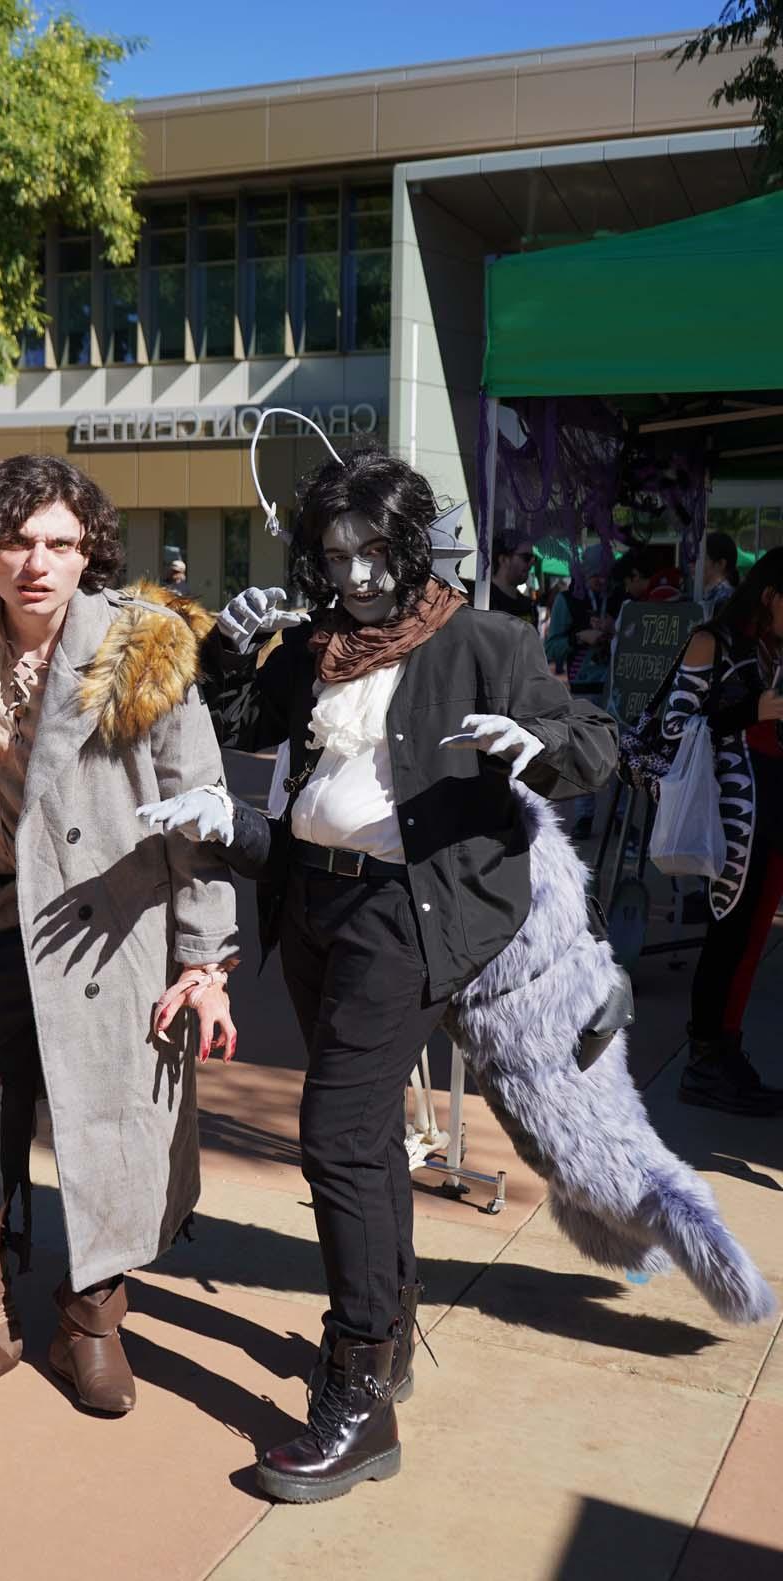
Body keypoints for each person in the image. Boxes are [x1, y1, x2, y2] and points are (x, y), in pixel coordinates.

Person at [145, 446, 616, 1503]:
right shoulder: (317, 648)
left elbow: (596, 748)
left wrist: (528, 742)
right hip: (308, 902)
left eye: (372, 552)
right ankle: (389, 1331)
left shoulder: (487, 639)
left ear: (409, 547)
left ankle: (361, 1392)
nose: (355, 576)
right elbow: (237, 727)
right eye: (334, 554)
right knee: (361, 1143)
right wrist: (228, 649)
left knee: (340, 1136)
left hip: (407, 917)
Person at [0, 453, 238, 1415]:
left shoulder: (145, 645)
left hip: (104, 928)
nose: (37, 562)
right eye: (16, 541)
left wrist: (205, 959)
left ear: (87, 548)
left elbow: (199, 810)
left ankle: (91, 1322)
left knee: (110, 1125)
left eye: (58, 541)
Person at [666, 546, 783, 1117]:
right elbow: (674, 725)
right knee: (728, 937)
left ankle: (726, 1056)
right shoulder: (713, 640)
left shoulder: (771, 647)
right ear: (770, 595)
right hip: (734, 818)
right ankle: (705, 1063)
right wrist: (753, 711)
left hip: (772, 809)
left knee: (750, 940)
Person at [545, 546, 621, 838]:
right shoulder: (567, 601)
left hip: (616, 688)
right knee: (586, 753)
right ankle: (584, 817)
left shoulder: (616, 600)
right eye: (594, 576)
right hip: (584, 688)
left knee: (618, 755)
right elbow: (551, 647)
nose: (601, 581)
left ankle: (619, 817)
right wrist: (580, 638)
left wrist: (614, 632)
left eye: (605, 575)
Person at [486, 531, 537, 622]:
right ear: (504, 559)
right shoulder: (483, 600)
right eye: (527, 557)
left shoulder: (528, 605)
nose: (532, 563)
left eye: (534, 559)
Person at [702, 530, 740, 620]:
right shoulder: (711, 596)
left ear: (721, 564)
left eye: (704, 559)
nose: (696, 565)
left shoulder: (724, 600)